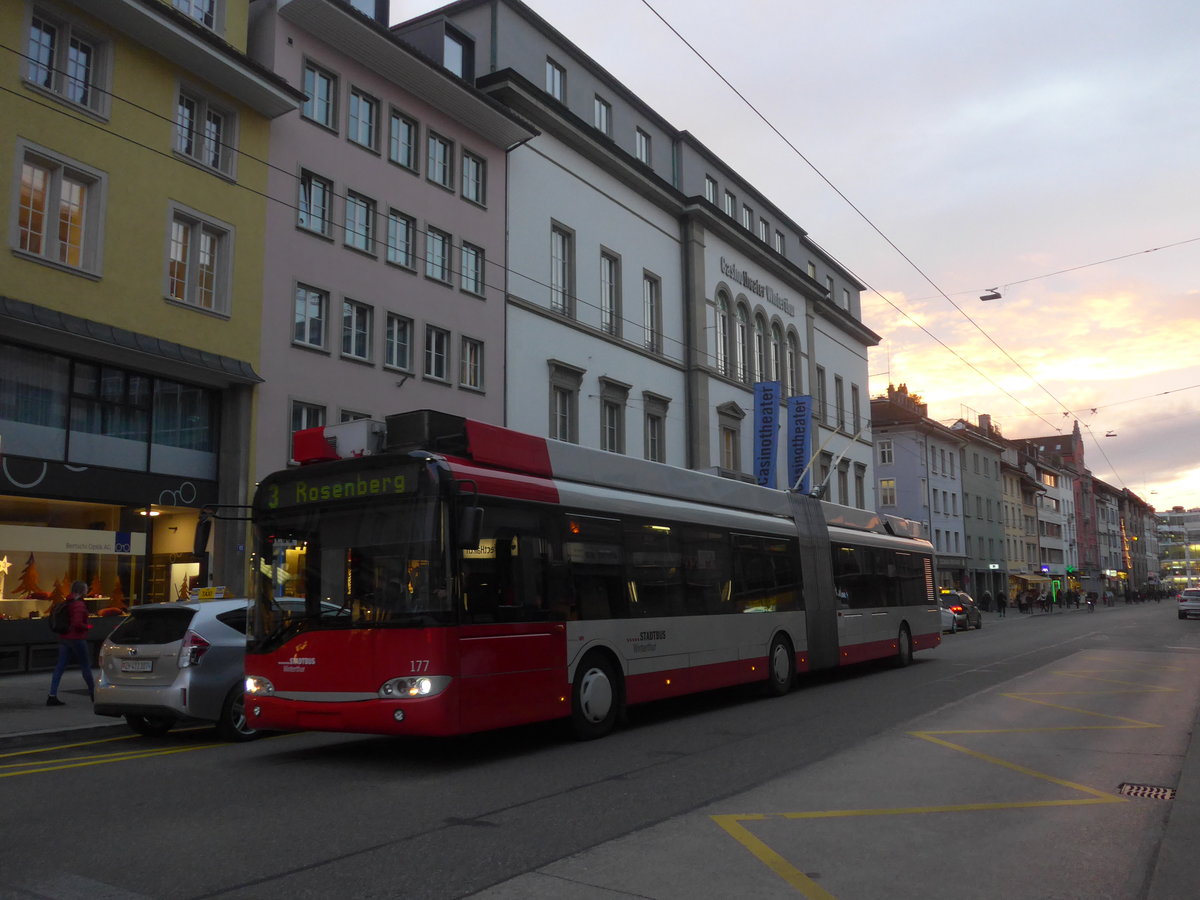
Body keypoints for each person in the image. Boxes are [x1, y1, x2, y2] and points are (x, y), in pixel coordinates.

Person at [46, 580, 94, 707]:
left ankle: (52, 694)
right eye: (86, 589)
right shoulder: (79, 605)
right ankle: (94, 693)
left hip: (64, 638)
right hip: (77, 638)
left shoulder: (67, 602)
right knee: (85, 665)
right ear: (81, 591)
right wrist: (88, 626)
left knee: (60, 666)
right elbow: (77, 624)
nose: (87, 590)